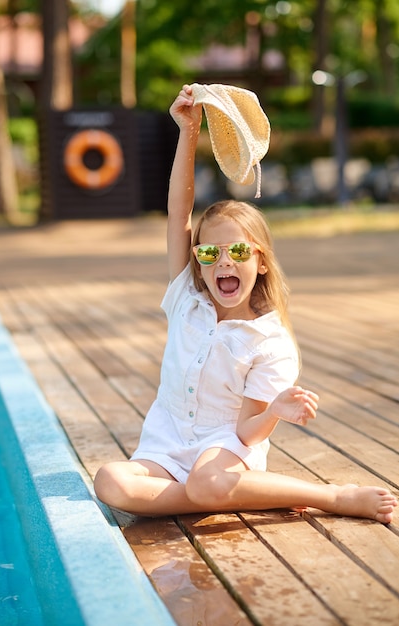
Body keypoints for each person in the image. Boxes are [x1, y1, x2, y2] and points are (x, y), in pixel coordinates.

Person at [94, 85, 397, 524]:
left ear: (261, 260)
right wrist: (188, 131)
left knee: (207, 481)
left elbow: (245, 431)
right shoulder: (188, 299)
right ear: (198, 261)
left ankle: (329, 496)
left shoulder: (270, 343)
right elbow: (178, 212)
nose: (222, 263)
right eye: (208, 253)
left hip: (226, 452)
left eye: (236, 253)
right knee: (111, 481)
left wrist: (274, 412)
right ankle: (230, 497)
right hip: (167, 447)